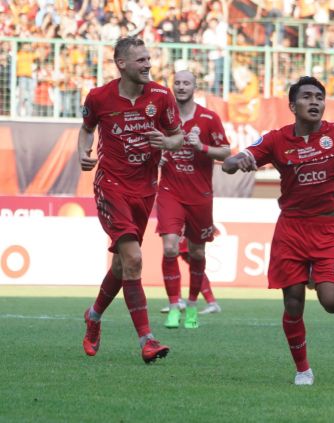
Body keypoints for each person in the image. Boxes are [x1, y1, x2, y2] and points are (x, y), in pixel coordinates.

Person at [221, 76, 334, 385]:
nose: (315, 101)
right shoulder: (276, 140)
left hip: (328, 228)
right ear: (292, 105)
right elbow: (242, 157)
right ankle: (303, 369)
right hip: (291, 229)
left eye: (319, 96)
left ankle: (316, 274)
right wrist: (235, 162)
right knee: (292, 302)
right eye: (307, 97)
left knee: (332, 303)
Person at [78, 36, 184, 363]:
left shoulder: (162, 97)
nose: (148, 65)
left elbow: (178, 136)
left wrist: (167, 143)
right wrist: (82, 151)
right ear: (121, 64)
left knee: (124, 263)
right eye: (141, 60)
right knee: (135, 259)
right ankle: (147, 340)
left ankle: (94, 316)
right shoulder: (99, 97)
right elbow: (86, 128)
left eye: (149, 59)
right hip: (111, 185)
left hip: (145, 188)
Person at [157, 69, 230, 329]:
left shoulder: (209, 118)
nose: (181, 87)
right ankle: (174, 305)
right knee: (170, 248)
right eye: (177, 83)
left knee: (197, 253)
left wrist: (201, 147)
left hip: (199, 195)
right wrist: (158, 155)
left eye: (186, 83)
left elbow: (226, 151)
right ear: (172, 86)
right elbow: (149, 144)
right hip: (170, 191)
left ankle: (191, 305)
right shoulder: (163, 116)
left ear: (194, 87)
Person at [159, 226, 223, 316]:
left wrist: (209, 223)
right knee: (178, 256)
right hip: (179, 225)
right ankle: (180, 301)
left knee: (188, 258)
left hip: (185, 226)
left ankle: (209, 302)